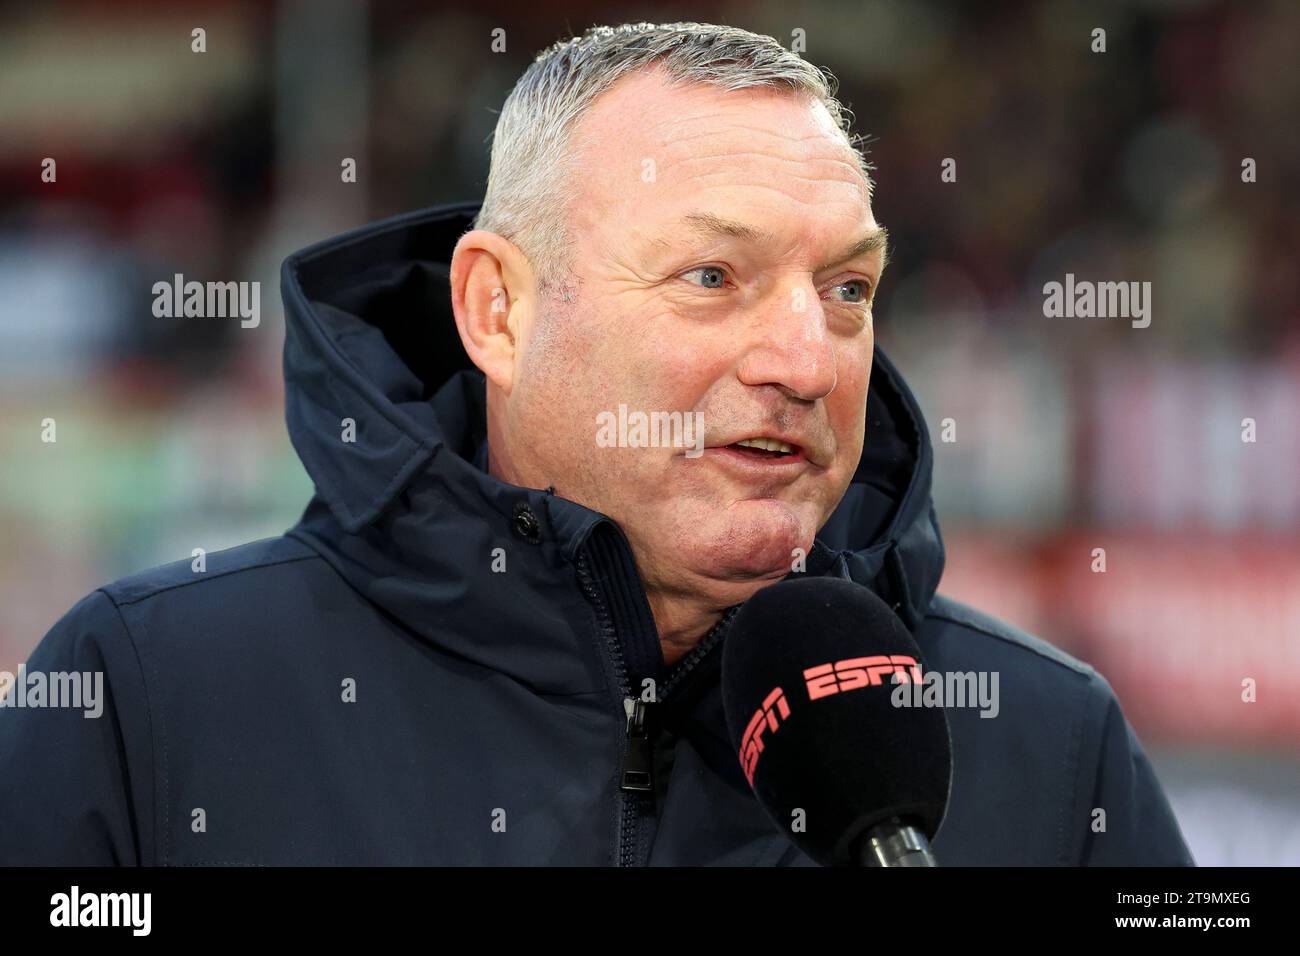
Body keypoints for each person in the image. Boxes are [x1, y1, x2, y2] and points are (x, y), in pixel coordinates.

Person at [0, 22, 1193, 865]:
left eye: (845, 286)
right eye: (713, 275)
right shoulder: (145, 700)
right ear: (498, 312)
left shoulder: (1049, 742)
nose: (807, 358)